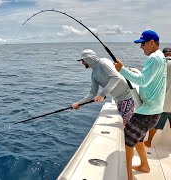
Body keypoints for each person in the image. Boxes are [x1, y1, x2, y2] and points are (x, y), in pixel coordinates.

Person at [114, 30, 167, 180]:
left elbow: (142, 81)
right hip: (153, 109)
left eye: (142, 43)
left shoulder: (154, 58)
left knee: (128, 140)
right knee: (138, 139)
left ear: (151, 42)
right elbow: (148, 80)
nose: (141, 47)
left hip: (148, 111)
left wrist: (122, 70)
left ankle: (128, 176)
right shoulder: (161, 57)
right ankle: (144, 165)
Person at [71, 49, 134, 126]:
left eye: (83, 60)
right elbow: (92, 93)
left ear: (88, 59)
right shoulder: (93, 75)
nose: (82, 63)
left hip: (128, 97)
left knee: (126, 126)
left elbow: (115, 77)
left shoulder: (103, 62)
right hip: (119, 100)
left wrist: (102, 94)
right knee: (123, 125)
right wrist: (79, 103)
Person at [144, 47, 171, 148]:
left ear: (163, 54)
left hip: (162, 104)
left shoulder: (161, 64)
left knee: (154, 125)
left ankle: (149, 142)